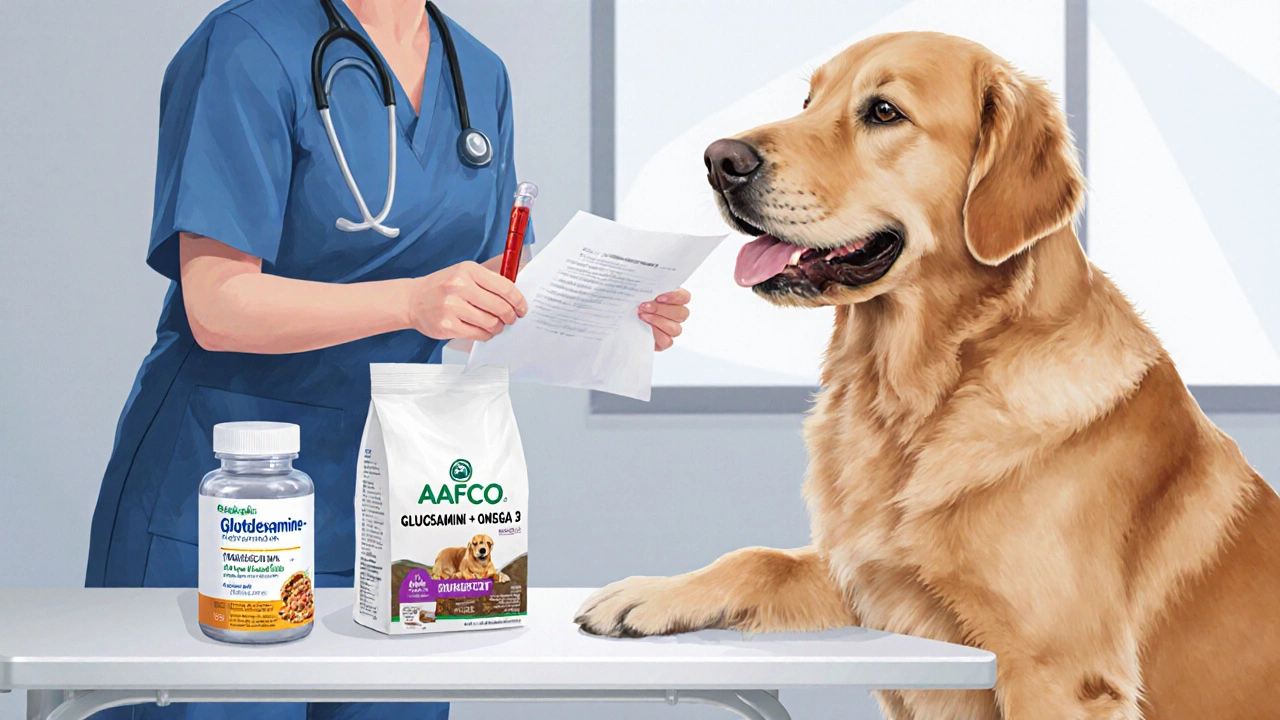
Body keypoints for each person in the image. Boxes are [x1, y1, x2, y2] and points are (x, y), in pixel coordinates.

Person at [85, 1, 692, 718]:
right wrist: (408, 303)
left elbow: (486, 307)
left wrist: (613, 322)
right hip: (229, 492)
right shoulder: (248, 44)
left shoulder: (477, 72)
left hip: (401, 502)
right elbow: (217, 306)